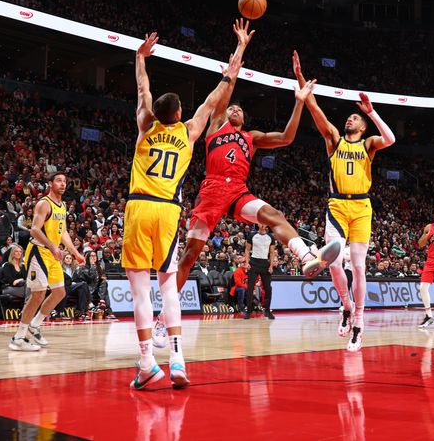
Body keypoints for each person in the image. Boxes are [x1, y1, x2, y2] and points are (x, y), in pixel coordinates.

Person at [161, 31, 339, 345]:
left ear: (245, 118)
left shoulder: (251, 137)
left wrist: (299, 103)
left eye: (239, 110)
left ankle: (306, 256)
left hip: (238, 191)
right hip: (212, 190)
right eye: (232, 109)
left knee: (274, 215)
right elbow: (227, 83)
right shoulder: (215, 125)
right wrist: (241, 46)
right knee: (189, 256)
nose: (234, 110)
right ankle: (165, 318)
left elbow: (286, 137)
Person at [124, 27, 254, 390]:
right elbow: (218, 94)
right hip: (168, 211)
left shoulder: (145, 126)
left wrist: (139, 57)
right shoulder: (190, 130)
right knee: (167, 287)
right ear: (180, 112)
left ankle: (147, 361)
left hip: (138, 207)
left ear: (156, 113)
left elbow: (142, 91)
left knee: (139, 292)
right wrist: (239, 48)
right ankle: (178, 359)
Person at [293, 50, 395, 352]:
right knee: (334, 264)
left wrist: (372, 111)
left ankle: (359, 322)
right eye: (350, 116)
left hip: (362, 207)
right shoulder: (334, 140)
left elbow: (390, 139)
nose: (349, 118)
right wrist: (300, 78)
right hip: (337, 206)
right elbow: (315, 111)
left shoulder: (369, 143)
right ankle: (346, 305)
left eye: (354, 117)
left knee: (360, 268)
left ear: (362, 127)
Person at [9, 172, 84, 351]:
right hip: (38, 252)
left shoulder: (63, 205)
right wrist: (52, 247)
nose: (63, 184)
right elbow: (34, 229)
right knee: (38, 295)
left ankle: (34, 326)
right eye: (58, 181)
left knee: (59, 292)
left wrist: (75, 253)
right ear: (50, 184)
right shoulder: (44, 203)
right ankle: (18, 338)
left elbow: (63, 232)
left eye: (65, 181)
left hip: (52, 253)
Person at [243, 225, 276, 319]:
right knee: (250, 287)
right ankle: (248, 311)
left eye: (264, 223)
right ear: (258, 224)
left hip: (265, 263)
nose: (262, 224)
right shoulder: (252, 235)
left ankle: (267, 310)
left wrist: (271, 265)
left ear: (266, 225)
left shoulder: (270, 237)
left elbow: (272, 252)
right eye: (260, 223)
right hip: (253, 262)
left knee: (268, 288)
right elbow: (247, 249)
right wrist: (247, 262)